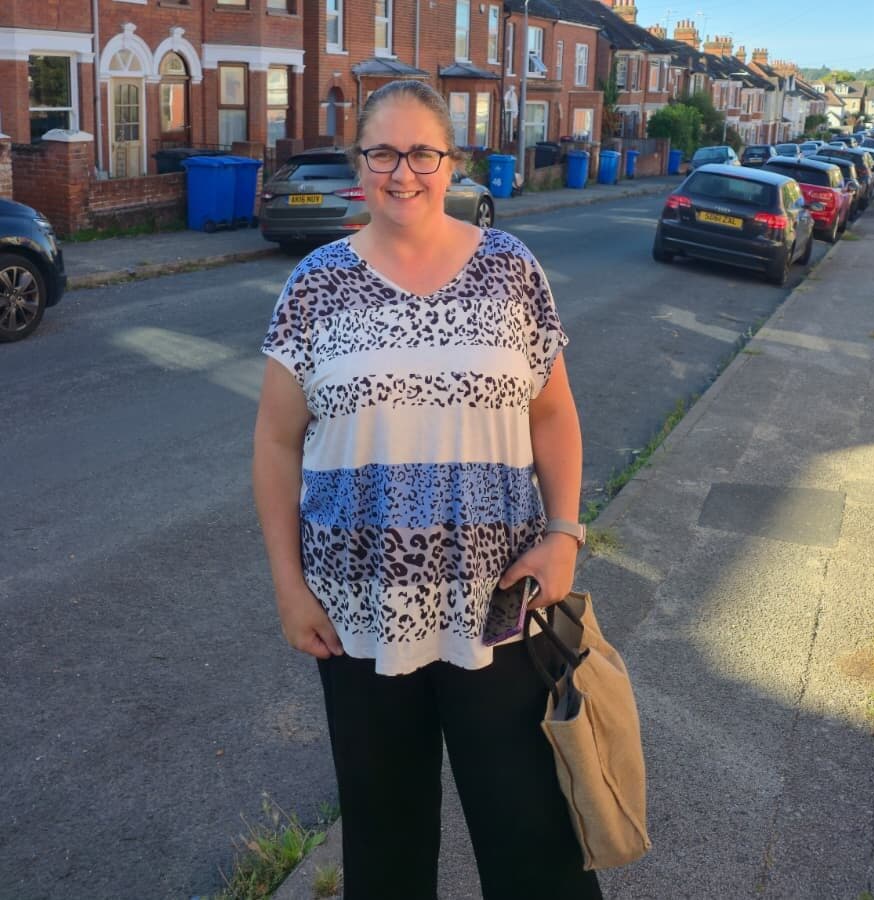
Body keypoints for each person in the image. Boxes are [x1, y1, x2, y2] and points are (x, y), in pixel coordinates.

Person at [253, 80, 601, 900]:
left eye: (422, 154)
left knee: (530, 832)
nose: (402, 173)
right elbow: (275, 440)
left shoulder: (511, 270)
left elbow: (553, 415)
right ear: (358, 165)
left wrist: (565, 532)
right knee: (385, 835)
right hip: (356, 612)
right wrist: (288, 586)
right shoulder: (315, 285)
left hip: (499, 603)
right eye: (382, 153)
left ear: (451, 164)